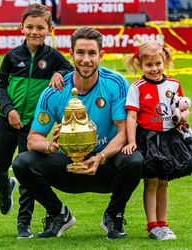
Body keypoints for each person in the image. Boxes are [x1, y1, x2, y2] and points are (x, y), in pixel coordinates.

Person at [12, 27, 143, 239]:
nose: (86, 59)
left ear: (101, 55)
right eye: (80, 53)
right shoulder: (53, 91)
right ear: (71, 55)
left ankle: (114, 216)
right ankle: (57, 214)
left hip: (105, 165)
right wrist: (52, 146)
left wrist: (100, 157)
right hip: (68, 167)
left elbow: (123, 132)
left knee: (134, 160)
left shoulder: (116, 83)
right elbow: (33, 139)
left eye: (92, 53)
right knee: (22, 162)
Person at [0, 3, 73, 239]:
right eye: (30, 27)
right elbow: (0, 85)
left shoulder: (54, 57)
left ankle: (23, 224)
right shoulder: (12, 56)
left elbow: (70, 69)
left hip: (32, 126)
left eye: (40, 27)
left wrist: (60, 73)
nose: (35, 32)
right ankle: (6, 188)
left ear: (50, 29)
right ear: (21, 28)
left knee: (26, 172)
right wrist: (9, 110)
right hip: (7, 120)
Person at [122, 40, 192, 240]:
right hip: (150, 140)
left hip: (170, 139)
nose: (154, 69)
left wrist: (184, 116)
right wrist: (131, 141)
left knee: (164, 182)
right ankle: (152, 225)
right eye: (149, 65)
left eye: (158, 64)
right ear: (140, 65)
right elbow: (132, 117)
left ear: (165, 61)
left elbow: (181, 108)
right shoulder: (137, 87)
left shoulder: (174, 84)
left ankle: (163, 223)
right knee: (151, 181)